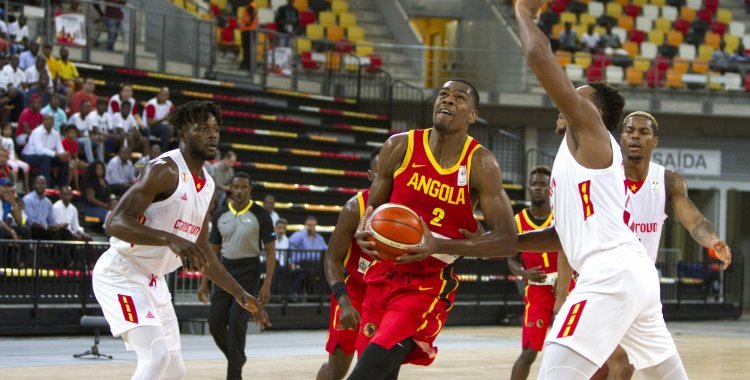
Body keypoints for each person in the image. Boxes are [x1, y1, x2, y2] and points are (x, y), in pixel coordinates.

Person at [516, 0, 691, 377]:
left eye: (578, 98)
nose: (568, 101)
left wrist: (523, 13)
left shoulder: (593, 138)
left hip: (610, 271)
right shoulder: (572, 157)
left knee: (556, 368)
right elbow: (563, 236)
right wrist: (456, 246)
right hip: (633, 272)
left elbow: (536, 54)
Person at [350, 79, 517, 378]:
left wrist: (438, 246)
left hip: (427, 284)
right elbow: (371, 210)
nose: (448, 100)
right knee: (379, 371)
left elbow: (507, 241)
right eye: (443, 94)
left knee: (367, 370)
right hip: (382, 274)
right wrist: (365, 230)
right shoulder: (399, 146)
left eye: (459, 98)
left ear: (472, 116)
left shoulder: (481, 162)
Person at [93, 100, 270, 380]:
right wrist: (169, 239)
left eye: (215, 129)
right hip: (122, 272)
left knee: (175, 369)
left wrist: (240, 294)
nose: (212, 134)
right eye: (203, 128)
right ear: (184, 135)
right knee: (156, 357)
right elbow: (114, 223)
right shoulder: (164, 169)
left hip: (155, 282)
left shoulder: (209, 185)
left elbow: (204, 256)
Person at [556, 111, 733, 379]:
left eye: (643, 132)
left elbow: (694, 219)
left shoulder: (666, 181)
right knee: (602, 362)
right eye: (629, 131)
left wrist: (712, 239)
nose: (635, 136)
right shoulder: (602, 177)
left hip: (637, 288)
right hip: (599, 279)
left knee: (623, 364)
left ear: (655, 140)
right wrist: (561, 292)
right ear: (621, 137)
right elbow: (566, 234)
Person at [198, 172, 276, 380]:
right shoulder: (220, 214)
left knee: (236, 320)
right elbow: (211, 252)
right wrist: (204, 282)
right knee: (215, 323)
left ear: (250, 189)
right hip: (224, 271)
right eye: (236, 187)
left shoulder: (261, 214)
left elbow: (270, 252)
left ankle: (234, 375)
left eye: (244, 187)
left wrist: (266, 283)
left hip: (249, 271)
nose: (240, 191)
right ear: (230, 189)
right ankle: (237, 357)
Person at [317, 147, 379, 380]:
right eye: (380, 170)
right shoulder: (356, 207)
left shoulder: (404, 208)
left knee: (376, 368)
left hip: (384, 293)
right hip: (353, 291)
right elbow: (331, 258)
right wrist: (343, 301)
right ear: (371, 174)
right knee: (336, 371)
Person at [508, 165, 575, 380]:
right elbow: (511, 259)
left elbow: (574, 251)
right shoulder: (518, 220)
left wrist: (565, 279)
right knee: (528, 352)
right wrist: (524, 273)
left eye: (543, 185)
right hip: (536, 293)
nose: (538, 188)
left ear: (551, 189)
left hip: (566, 288)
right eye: (535, 184)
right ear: (528, 188)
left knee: (572, 350)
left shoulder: (561, 216)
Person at [22, 113, 70, 188]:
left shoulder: (55, 133)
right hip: (30, 155)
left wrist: (64, 154)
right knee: (45, 158)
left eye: (50, 119)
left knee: (64, 160)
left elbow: (60, 148)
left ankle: (63, 186)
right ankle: (46, 187)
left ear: (53, 121)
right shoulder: (37, 132)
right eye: (46, 119)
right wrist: (56, 154)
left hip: (47, 155)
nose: (48, 121)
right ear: (43, 121)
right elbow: (39, 150)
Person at [23, 175, 69, 240]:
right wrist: (46, 227)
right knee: (54, 234)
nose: (40, 185)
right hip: (34, 230)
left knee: (65, 233)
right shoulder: (28, 199)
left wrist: (59, 226)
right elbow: (29, 221)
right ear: (34, 185)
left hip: (46, 229)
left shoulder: (48, 202)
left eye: (42, 183)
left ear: (46, 186)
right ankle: (58, 250)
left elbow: (52, 220)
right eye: (38, 183)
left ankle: (67, 250)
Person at [0, 122, 29, 192]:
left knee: (26, 166)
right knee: (15, 167)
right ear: (2, 130)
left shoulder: (11, 139)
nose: (8, 131)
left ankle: (26, 185)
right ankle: (14, 186)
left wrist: (17, 158)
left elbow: (13, 150)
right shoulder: (1, 139)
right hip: (7, 159)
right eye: (6, 129)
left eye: (10, 129)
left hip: (13, 158)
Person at [143, 87, 174, 152]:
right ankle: (163, 152)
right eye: (162, 95)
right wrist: (163, 119)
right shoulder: (151, 105)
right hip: (150, 127)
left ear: (168, 97)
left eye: (166, 95)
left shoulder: (170, 104)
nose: (164, 97)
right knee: (165, 128)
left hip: (163, 126)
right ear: (158, 94)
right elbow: (150, 123)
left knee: (177, 128)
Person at [0, 54, 27, 120]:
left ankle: (17, 120)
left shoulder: (3, 72)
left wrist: (11, 91)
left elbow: (10, 85)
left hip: (5, 94)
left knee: (19, 94)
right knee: (19, 94)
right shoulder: (7, 69)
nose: (2, 62)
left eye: (3, 60)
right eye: (1, 60)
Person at [61, 125, 88, 190]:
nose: (73, 135)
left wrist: (78, 161)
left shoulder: (75, 143)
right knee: (73, 165)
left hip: (73, 161)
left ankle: (85, 187)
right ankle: (75, 187)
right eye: (71, 132)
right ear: (67, 133)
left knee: (88, 166)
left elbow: (75, 157)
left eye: (74, 133)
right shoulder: (63, 142)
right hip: (65, 161)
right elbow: (63, 156)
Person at [238, 0, 258, 71]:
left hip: (248, 31)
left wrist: (247, 24)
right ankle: (247, 65)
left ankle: (246, 65)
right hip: (250, 30)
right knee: (248, 49)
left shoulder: (250, 6)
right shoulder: (252, 5)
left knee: (247, 49)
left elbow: (251, 15)